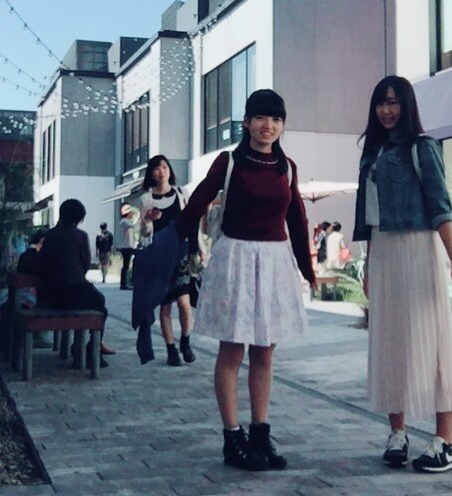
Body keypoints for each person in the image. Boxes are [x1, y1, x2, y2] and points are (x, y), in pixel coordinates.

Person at [177, 89, 316, 471]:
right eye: (260, 117)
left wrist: (307, 269)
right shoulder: (229, 162)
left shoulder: (287, 167)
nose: (268, 125)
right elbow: (197, 203)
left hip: (274, 263)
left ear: (282, 125)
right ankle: (232, 437)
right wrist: (175, 243)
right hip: (235, 260)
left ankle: (260, 434)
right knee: (232, 351)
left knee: (264, 352)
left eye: (276, 119)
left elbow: (297, 220)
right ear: (247, 122)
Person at [353, 76, 452, 473]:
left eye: (394, 102)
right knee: (390, 342)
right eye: (380, 103)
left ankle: (447, 442)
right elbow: (370, 218)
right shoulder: (371, 155)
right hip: (384, 252)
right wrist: (369, 265)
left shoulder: (423, 147)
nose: (386, 110)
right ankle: (397, 434)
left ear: (406, 105)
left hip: (419, 249)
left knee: (434, 342)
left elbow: (441, 208)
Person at [139, 155, 197, 367]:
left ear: (170, 170)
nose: (161, 171)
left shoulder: (182, 194)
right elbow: (144, 233)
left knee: (184, 303)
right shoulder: (146, 199)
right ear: (151, 173)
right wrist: (148, 220)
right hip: (159, 256)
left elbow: (191, 223)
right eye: (156, 168)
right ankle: (171, 349)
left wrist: (197, 249)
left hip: (180, 253)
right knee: (165, 307)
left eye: (164, 167)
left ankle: (185, 341)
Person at [40, 199, 114, 366]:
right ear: (80, 218)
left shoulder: (49, 235)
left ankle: (88, 347)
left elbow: (44, 262)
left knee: (95, 302)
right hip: (74, 290)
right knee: (100, 303)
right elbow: (85, 264)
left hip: (53, 294)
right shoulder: (81, 236)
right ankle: (92, 348)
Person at [118, 203, 138, 290]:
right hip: (126, 247)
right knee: (126, 266)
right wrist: (137, 217)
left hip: (128, 246)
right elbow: (133, 225)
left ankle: (129, 281)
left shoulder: (125, 221)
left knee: (131, 262)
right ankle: (124, 283)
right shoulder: (124, 221)